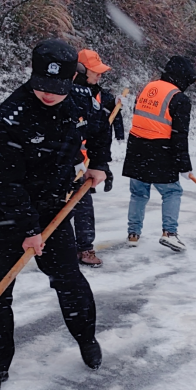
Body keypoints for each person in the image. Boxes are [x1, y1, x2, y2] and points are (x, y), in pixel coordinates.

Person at [0, 39, 108, 390]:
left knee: (69, 280)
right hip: (4, 214)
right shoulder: (9, 117)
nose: (49, 95)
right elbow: (4, 183)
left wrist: (99, 162)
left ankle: (86, 338)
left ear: (72, 80)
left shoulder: (81, 102)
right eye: (42, 86)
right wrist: (29, 230)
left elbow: (101, 128)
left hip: (53, 208)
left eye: (58, 88)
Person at [122, 56, 196, 252]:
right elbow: (180, 135)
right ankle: (169, 234)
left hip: (136, 147)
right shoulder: (179, 99)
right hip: (161, 151)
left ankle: (133, 234)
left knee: (138, 193)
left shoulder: (147, 88)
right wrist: (184, 165)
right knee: (172, 192)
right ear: (182, 78)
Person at [70, 49, 113, 267]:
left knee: (83, 206)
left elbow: (101, 131)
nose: (99, 75)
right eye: (94, 71)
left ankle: (85, 248)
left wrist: (100, 164)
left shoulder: (95, 95)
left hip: (84, 165)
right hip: (63, 163)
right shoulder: (65, 93)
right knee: (59, 206)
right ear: (79, 70)